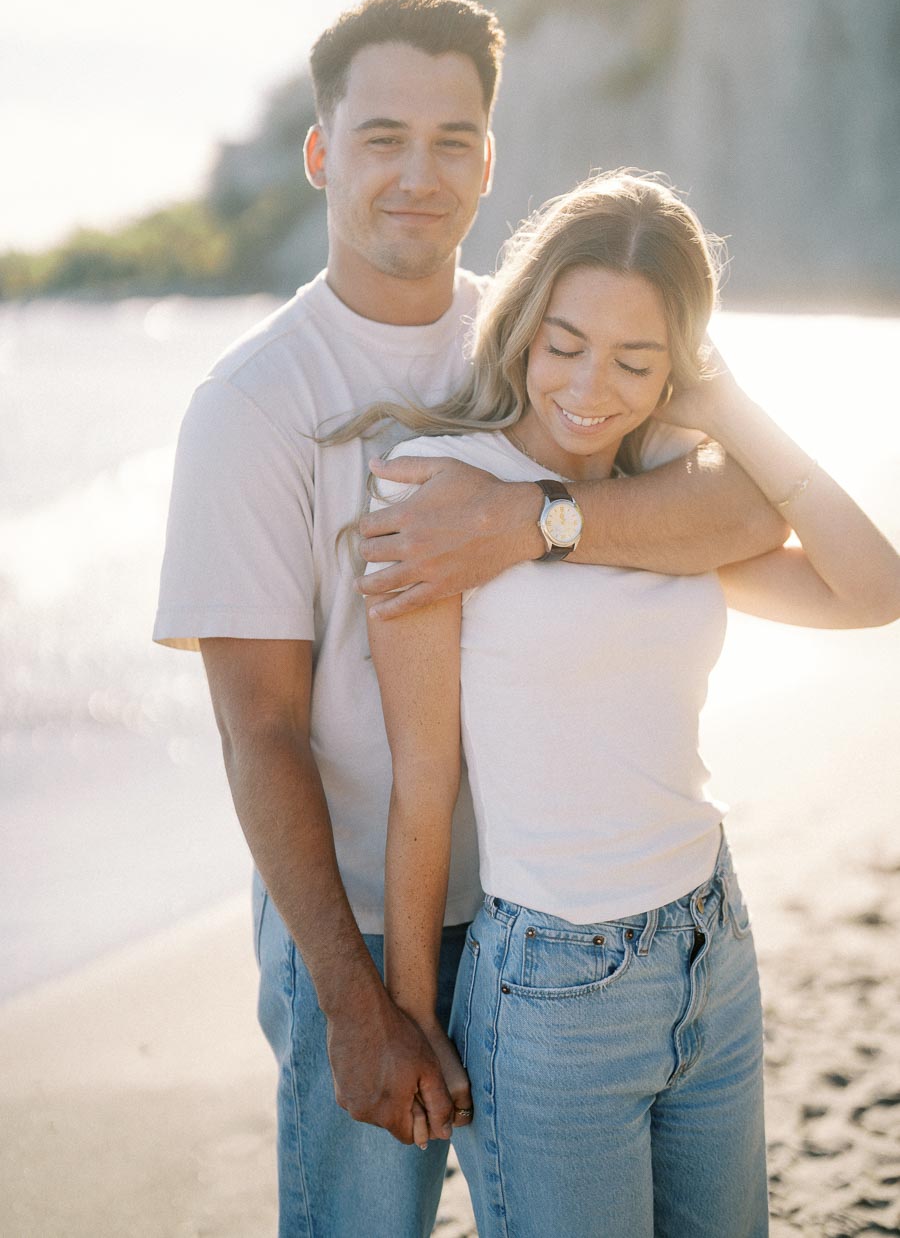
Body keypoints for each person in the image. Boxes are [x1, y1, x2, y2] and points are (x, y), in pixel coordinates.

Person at [153, 0, 789, 1238]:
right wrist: (352, 999)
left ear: (490, 162)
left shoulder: (548, 334)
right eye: (382, 136)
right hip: (363, 921)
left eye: (454, 141)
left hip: (559, 923)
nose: (417, 173)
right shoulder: (254, 406)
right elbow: (261, 733)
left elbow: (737, 509)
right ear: (321, 150)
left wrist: (534, 521)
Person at [361, 171, 900, 1236]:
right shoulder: (437, 490)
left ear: (678, 367)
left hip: (711, 936)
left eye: (637, 360)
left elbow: (872, 588)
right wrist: (410, 1010)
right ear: (520, 325)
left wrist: (727, 409)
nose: (589, 387)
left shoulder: (674, 494)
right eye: (564, 343)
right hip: (553, 988)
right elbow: (425, 783)